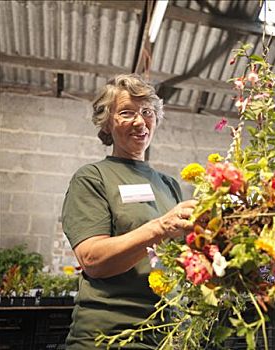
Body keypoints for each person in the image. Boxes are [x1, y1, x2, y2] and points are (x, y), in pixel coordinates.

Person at [61, 74, 196, 349]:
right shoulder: (93, 177)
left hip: (167, 335)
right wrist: (160, 227)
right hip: (110, 336)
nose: (139, 121)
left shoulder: (168, 184)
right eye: (126, 112)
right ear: (107, 124)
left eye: (147, 112)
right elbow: (93, 259)